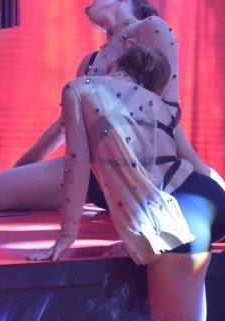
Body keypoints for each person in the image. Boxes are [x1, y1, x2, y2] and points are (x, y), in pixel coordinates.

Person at [0, 0, 221, 212]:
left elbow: (170, 109)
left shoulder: (152, 27)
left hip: (142, 165)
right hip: (93, 172)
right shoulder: (90, 62)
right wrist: (17, 173)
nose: (87, 7)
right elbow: (63, 126)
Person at [28, 45, 225, 320]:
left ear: (115, 64)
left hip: (174, 216)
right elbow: (186, 163)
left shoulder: (78, 89)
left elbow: (76, 165)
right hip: (207, 199)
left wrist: (66, 237)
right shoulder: (158, 103)